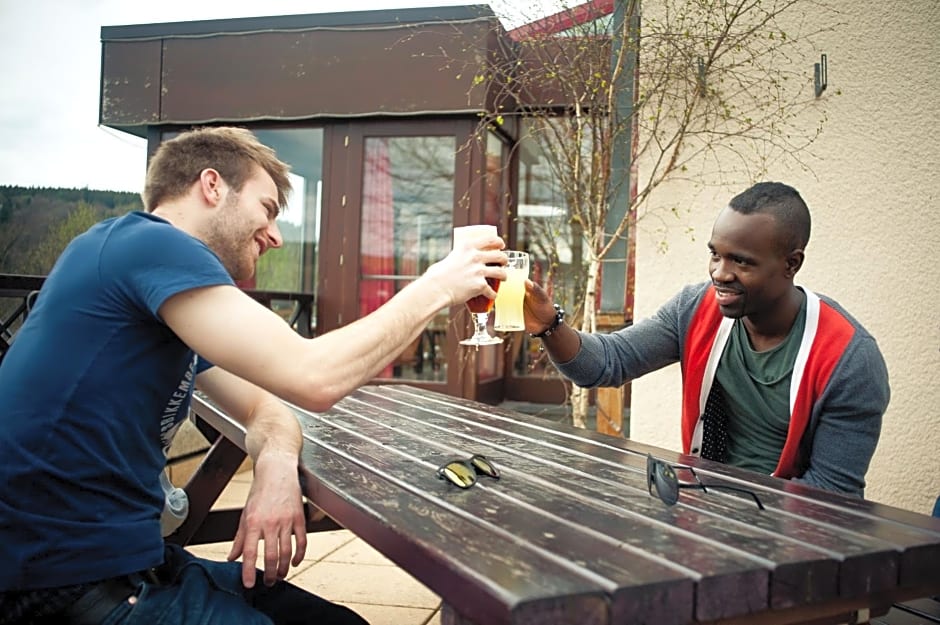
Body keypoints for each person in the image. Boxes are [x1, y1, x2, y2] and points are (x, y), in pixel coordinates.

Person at [0, 126, 507, 625]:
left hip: (129, 564)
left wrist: (278, 464)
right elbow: (313, 376)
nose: (278, 237)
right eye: (267, 209)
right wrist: (441, 284)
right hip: (60, 584)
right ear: (212, 185)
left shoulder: (157, 292)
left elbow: (265, 406)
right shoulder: (149, 244)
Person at [523, 181, 889, 497]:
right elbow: (607, 363)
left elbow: (831, 493)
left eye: (742, 262)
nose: (720, 273)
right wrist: (549, 325)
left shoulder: (849, 358)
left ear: (791, 264)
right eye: (715, 254)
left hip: (790, 535)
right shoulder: (696, 308)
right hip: (700, 508)